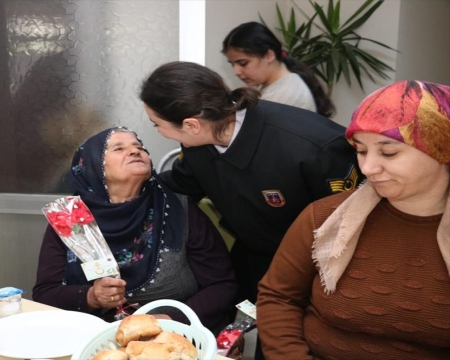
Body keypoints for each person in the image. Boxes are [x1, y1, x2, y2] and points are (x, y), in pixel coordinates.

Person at [140, 61, 362, 359]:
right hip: (255, 257)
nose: (159, 131)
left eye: (157, 124)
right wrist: (126, 188)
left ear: (191, 124)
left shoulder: (311, 145)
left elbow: (352, 222)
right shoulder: (199, 144)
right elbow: (181, 184)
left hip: (319, 270)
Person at [256, 80, 450, 359]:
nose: (369, 168)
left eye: (389, 152)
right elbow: (278, 296)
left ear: (441, 150)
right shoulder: (324, 217)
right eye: (360, 150)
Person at [33, 127, 237, 334]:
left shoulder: (178, 209)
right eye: (118, 148)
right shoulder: (70, 219)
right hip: (95, 338)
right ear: (91, 166)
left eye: (139, 147)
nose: (135, 151)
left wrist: (169, 320)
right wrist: (92, 297)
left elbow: (221, 285)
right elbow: (45, 293)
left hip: (173, 337)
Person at [222, 21, 335, 117]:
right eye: (232, 64)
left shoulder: (286, 96)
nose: (236, 71)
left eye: (243, 63)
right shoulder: (273, 85)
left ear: (269, 55)